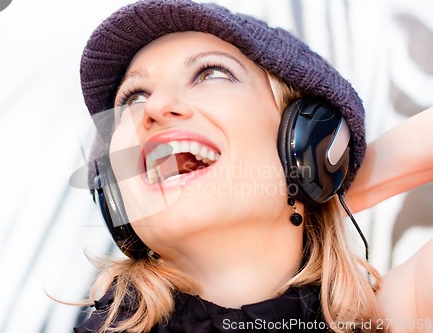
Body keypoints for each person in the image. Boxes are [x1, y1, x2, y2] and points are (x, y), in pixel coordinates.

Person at [73, 1, 433, 332]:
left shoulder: (389, 317)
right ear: (116, 199)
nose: (156, 106)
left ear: (302, 138)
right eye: (133, 98)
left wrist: (325, 178)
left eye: (210, 73)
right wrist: (316, 186)